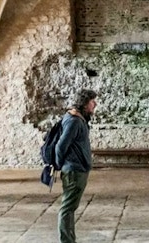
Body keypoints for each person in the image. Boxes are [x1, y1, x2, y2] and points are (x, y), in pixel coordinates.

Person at [55, 88, 97, 243]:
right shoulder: (74, 121)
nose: (95, 104)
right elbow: (61, 146)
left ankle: (69, 240)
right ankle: (66, 240)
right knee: (67, 209)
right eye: (92, 102)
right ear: (84, 104)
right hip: (74, 170)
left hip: (77, 169)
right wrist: (60, 165)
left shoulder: (76, 118)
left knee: (70, 208)